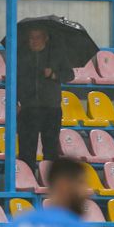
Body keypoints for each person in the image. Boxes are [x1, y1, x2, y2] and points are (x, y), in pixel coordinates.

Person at [16, 26, 75, 174]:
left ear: (45, 38)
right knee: (26, 150)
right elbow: (15, 79)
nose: (34, 41)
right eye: (31, 38)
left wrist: (54, 74)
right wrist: (17, 101)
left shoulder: (56, 54)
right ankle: (26, 180)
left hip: (51, 108)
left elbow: (69, 75)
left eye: (37, 37)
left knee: (50, 149)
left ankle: (50, 182)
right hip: (28, 108)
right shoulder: (21, 56)